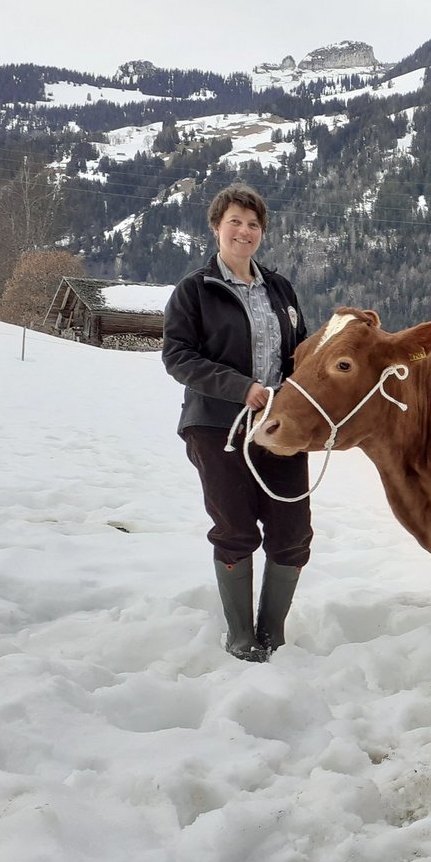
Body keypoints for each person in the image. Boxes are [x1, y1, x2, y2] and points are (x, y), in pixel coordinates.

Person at [163, 183, 312, 662]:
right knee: (235, 528)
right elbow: (178, 356)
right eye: (235, 222)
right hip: (217, 427)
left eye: (253, 224)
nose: (244, 231)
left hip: (279, 428)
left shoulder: (280, 289)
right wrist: (239, 387)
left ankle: (272, 633)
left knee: (292, 531)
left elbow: (300, 356)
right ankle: (240, 636)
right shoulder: (195, 290)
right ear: (216, 227)